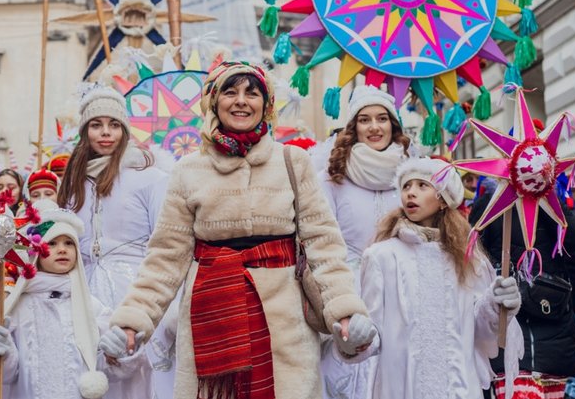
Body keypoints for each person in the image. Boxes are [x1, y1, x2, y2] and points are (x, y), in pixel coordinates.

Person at [101, 61, 374, 399]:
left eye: (252, 93)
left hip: (285, 324)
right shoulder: (189, 171)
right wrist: (133, 319)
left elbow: (324, 245)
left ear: (266, 104)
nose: (241, 101)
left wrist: (345, 309)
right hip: (212, 321)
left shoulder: (292, 161)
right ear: (214, 102)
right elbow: (165, 259)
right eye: (230, 92)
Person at [0, 202, 145, 399]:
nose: (62, 249)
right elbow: (6, 377)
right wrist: (0, 353)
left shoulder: (93, 308)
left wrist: (115, 353)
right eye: (52, 243)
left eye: (69, 243)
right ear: (35, 253)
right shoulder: (13, 308)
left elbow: (106, 374)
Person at [353, 157, 523, 399]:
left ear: (443, 199)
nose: (411, 193)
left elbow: (482, 334)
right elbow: (372, 333)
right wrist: (355, 339)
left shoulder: (468, 259)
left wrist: (496, 304)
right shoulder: (380, 256)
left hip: (458, 387)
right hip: (402, 388)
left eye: (422, 186)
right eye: (406, 186)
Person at [56, 83, 167, 397]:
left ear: (125, 131)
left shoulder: (151, 178)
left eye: (114, 124)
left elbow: (165, 244)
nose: (105, 132)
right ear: (85, 131)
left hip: (132, 292)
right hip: (83, 292)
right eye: (96, 125)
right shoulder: (74, 182)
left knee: (133, 378)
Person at [318, 84, 410, 399]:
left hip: (402, 294)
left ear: (393, 125)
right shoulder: (331, 179)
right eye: (364, 119)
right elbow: (319, 243)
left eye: (382, 119)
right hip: (347, 294)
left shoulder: (410, 179)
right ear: (353, 127)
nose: (374, 127)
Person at [470, 164, 575, 397]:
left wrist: (551, 198)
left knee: (549, 388)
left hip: (551, 312)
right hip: (507, 312)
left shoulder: (552, 202)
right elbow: (472, 251)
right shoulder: (491, 203)